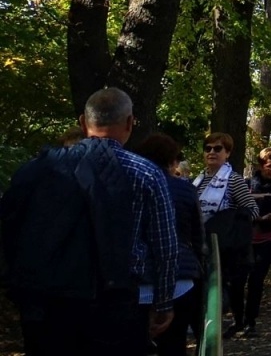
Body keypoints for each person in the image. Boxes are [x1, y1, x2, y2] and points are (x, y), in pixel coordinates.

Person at [0, 87, 179, 355]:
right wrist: (163, 302)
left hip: (46, 300)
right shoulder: (146, 173)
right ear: (130, 122)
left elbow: (10, 227)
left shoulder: (41, 168)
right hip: (113, 301)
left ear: (83, 122)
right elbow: (165, 246)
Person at [130, 133, 206, 356]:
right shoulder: (185, 189)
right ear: (172, 160)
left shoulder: (130, 186)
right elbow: (198, 236)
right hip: (181, 280)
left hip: (137, 279)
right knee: (174, 344)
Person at [193, 132, 259, 338]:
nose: (212, 152)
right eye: (208, 148)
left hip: (226, 245)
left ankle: (233, 322)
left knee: (227, 286)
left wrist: (229, 221)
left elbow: (252, 208)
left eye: (218, 148)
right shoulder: (197, 180)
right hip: (200, 242)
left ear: (227, 153)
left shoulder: (233, 180)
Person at [242, 147, 271, 335]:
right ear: (261, 165)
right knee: (241, 277)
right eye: (270, 166)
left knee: (257, 277)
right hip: (249, 236)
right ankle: (239, 318)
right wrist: (257, 218)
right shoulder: (249, 185)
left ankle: (250, 321)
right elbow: (242, 210)